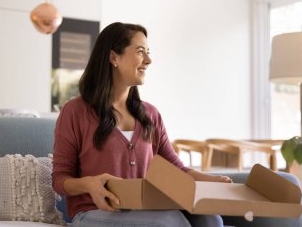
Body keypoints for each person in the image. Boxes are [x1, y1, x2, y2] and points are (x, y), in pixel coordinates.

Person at [52, 22, 232, 227]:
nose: (148, 60)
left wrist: (212, 180)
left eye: (148, 52)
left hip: (145, 209)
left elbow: (176, 167)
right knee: (169, 222)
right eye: (140, 52)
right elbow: (59, 180)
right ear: (113, 58)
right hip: (92, 213)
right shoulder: (75, 111)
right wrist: (90, 184)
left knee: (210, 219)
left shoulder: (151, 114)